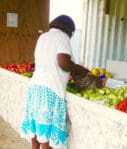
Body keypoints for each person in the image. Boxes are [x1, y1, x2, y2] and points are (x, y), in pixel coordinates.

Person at [20, 15, 89, 149]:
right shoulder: (62, 37)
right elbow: (63, 62)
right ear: (69, 30)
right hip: (51, 89)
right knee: (48, 135)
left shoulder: (43, 37)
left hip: (35, 86)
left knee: (36, 127)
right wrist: (79, 68)